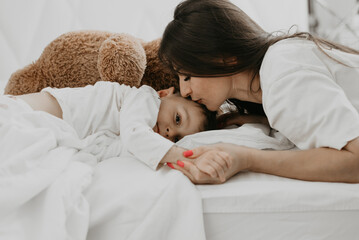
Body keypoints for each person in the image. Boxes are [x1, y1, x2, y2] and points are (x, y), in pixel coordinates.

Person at [158, 0, 359, 183]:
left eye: (187, 76)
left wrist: (245, 158)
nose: (184, 91)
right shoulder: (274, 76)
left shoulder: (281, 73)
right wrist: (263, 121)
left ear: (225, 57)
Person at [2, 81, 233, 180]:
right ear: (164, 93)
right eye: (177, 119)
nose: (168, 132)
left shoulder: (135, 139)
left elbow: (110, 147)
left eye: (177, 138)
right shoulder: (143, 97)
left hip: (45, 129)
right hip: (20, 112)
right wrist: (182, 156)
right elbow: (134, 135)